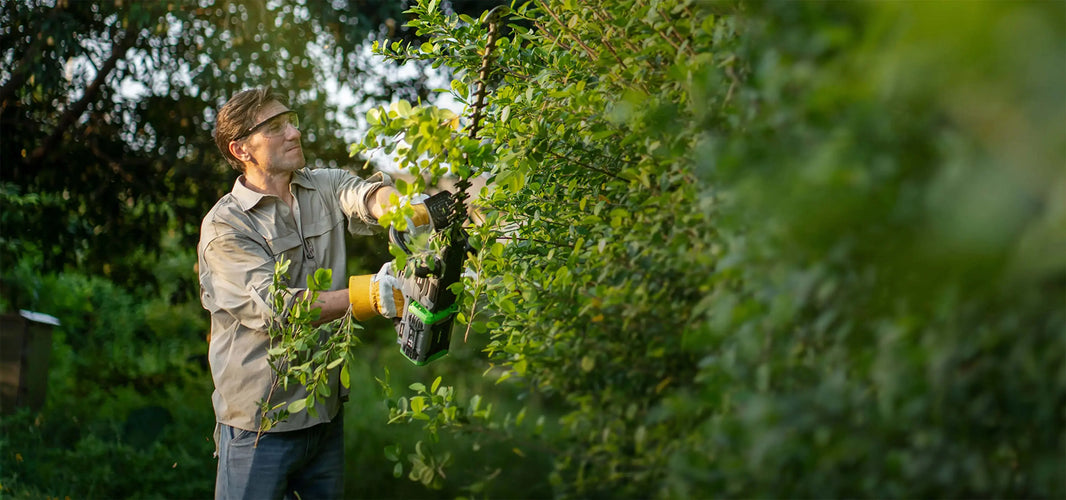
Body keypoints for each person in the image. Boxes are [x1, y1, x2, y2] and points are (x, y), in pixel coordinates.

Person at [197, 87, 431, 499]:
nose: (294, 132)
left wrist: (407, 208)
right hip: (259, 424)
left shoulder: (323, 184)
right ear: (241, 149)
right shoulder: (226, 227)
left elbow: (364, 195)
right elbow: (277, 309)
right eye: (275, 127)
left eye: (291, 121)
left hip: (323, 413)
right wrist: (370, 294)